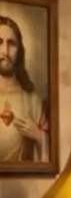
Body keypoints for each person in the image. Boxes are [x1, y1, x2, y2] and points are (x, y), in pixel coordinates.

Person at [0, 15, 49, 162]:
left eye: (11, 44)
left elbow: (49, 160)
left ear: (19, 51)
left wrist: (39, 136)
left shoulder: (33, 101)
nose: (5, 51)